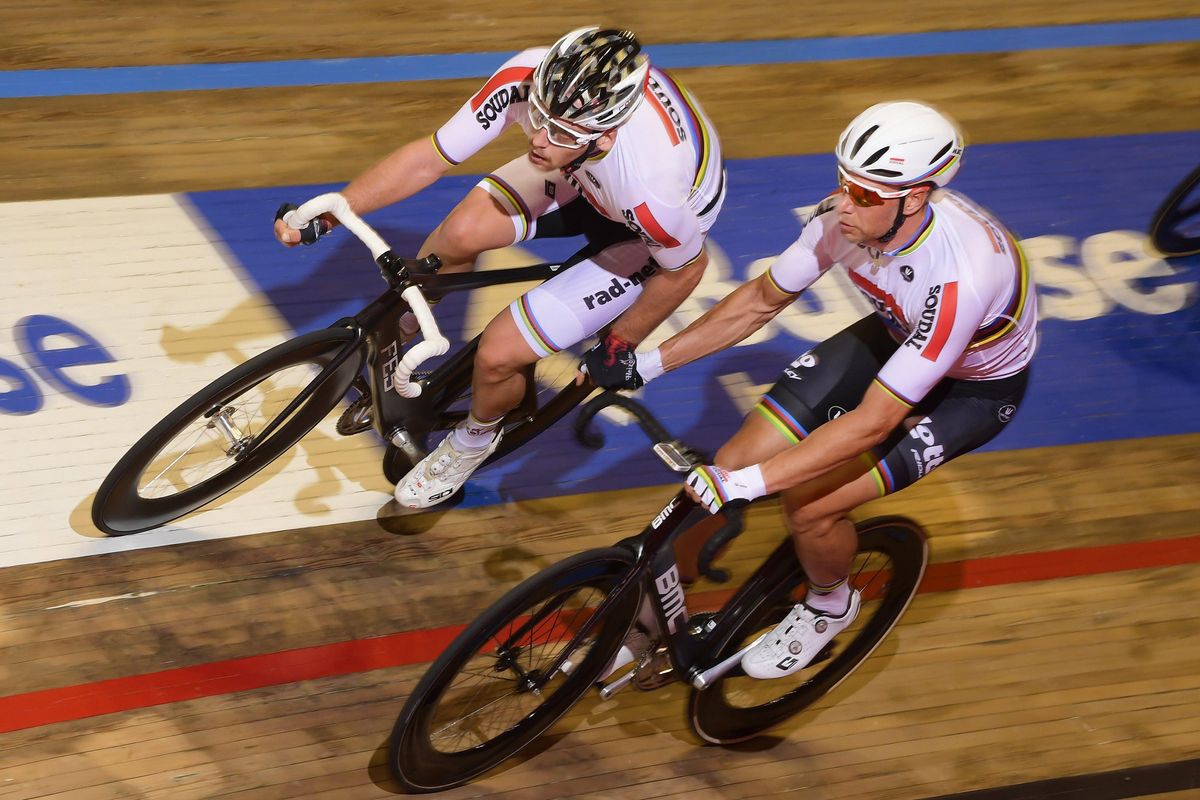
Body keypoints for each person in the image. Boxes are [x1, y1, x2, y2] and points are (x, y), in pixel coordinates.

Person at [593, 101, 1038, 679]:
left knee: (809, 505)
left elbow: (875, 422)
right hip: (896, 337)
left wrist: (748, 487)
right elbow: (760, 301)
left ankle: (830, 604)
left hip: (971, 391)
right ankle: (651, 624)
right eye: (846, 183)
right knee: (733, 458)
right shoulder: (841, 219)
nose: (845, 203)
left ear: (917, 196)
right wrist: (644, 364)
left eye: (868, 195)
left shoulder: (961, 277)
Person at [274, 26, 725, 509]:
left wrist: (620, 344)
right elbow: (430, 157)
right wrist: (333, 210)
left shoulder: (651, 187)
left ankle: (474, 440)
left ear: (605, 133)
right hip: (581, 175)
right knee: (457, 237)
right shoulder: (532, 80)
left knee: (499, 354)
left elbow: (686, 270)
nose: (538, 138)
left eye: (560, 132)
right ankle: (400, 341)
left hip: (643, 232)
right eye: (536, 116)